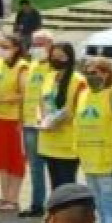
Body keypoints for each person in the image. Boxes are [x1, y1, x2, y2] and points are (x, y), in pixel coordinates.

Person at [75, 58, 112, 223]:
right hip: (88, 158)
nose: (91, 75)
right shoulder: (84, 94)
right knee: (97, 202)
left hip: (108, 158)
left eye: (97, 71)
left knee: (110, 202)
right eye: (88, 71)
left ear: (108, 73)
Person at [0, 34, 30, 213]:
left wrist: (1, 99)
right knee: (0, 159)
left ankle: (13, 198)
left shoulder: (22, 67)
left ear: (16, 48)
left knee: (14, 160)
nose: (2, 49)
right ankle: (4, 196)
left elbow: (23, 94)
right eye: (0, 45)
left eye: (6, 46)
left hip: (13, 120)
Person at [32, 42, 86, 194]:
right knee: (55, 185)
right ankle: (57, 215)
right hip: (48, 140)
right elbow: (40, 101)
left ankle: (69, 215)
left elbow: (76, 109)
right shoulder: (48, 76)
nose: (56, 59)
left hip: (67, 143)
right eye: (53, 56)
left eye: (61, 57)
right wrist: (40, 118)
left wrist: (56, 123)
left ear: (69, 58)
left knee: (67, 185)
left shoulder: (78, 80)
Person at [22, 31, 55, 216]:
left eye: (40, 44)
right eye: (34, 44)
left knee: (52, 167)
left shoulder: (54, 68)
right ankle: (37, 204)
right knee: (35, 167)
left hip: (47, 125)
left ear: (50, 45)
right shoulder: (32, 65)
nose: (36, 48)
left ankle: (54, 206)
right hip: (29, 123)